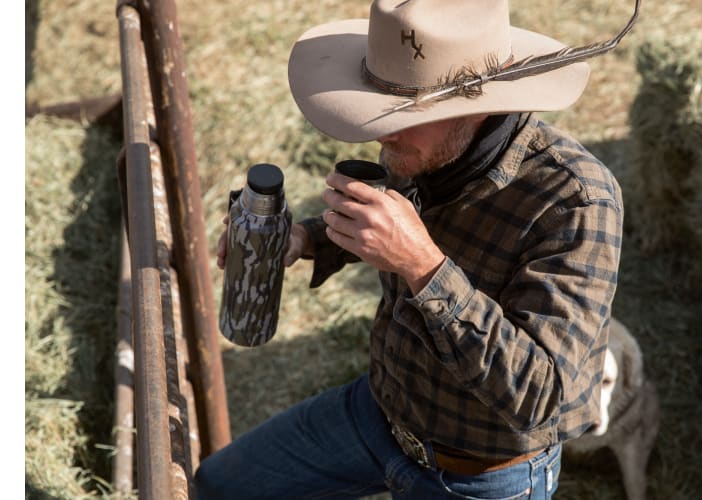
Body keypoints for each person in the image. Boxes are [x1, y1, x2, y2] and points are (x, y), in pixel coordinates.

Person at [196, 0, 634, 498]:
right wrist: (306, 238)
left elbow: (540, 395)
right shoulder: (424, 150)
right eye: (377, 107)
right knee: (218, 486)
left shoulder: (576, 201)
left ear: (477, 106)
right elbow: (391, 219)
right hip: (380, 413)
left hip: (481, 472)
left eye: (406, 113)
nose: (384, 132)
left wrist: (423, 265)